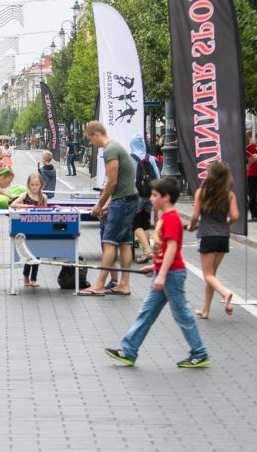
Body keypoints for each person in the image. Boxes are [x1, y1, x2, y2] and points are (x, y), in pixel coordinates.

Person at [105, 177, 210, 369]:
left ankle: (199, 353)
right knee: (147, 312)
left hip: (172, 275)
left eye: (155, 195)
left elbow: (171, 249)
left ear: (166, 197)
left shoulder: (171, 219)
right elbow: (164, 251)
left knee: (182, 315)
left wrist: (161, 274)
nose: (151, 199)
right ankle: (129, 350)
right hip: (164, 273)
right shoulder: (165, 217)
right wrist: (155, 268)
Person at [78, 121, 139, 297]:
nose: (92, 144)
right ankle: (124, 284)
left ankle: (99, 284)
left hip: (123, 202)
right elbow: (120, 181)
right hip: (128, 199)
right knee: (124, 242)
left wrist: (99, 205)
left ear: (96, 134)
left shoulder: (110, 149)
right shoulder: (116, 147)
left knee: (109, 241)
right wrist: (108, 205)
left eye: (90, 140)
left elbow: (112, 181)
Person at [187, 161, 238, 319]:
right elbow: (235, 216)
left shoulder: (201, 192)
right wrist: (226, 224)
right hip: (223, 236)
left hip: (207, 235)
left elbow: (195, 216)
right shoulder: (229, 194)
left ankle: (225, 294)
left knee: (208, 274)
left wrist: (191, 226)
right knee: (212, 275)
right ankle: (205, 310)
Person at [10, 172, 48, 288]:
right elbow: (13, 204)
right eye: (32, 184)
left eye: (37, 184)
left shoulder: (43, 197)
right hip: (27, 228)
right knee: (29, 254)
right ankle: (26, 275)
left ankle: (34, 278)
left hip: (39, 228)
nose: (34, 187)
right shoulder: (25, 195)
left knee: (37, 254)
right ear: (28, 185)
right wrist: (27, 206)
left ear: (41, 184)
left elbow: (45, 212)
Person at [131, 133, 161, 264]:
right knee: (145, 223)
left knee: (135, 223)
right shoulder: (151, 158)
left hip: (137, 194)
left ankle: (147, 250)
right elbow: (158, 177)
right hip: (150, 194)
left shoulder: (132, 158)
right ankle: (144, 252)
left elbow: (130, 178)